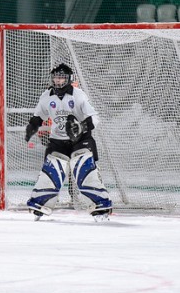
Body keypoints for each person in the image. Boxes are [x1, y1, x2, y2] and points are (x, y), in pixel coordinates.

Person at [23, 63, 113, 221]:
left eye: (62, 77)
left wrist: (81, 126)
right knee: (51, 171)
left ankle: (100, 205)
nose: (58, 81)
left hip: (80, 139)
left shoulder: (78, 95)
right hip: (57, 140)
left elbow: (95, 118)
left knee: (84, 170)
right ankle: (41, 203)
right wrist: (33, 125)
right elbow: (39, 116)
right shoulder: (46, 96)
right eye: (56, 77)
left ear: (69, 79)